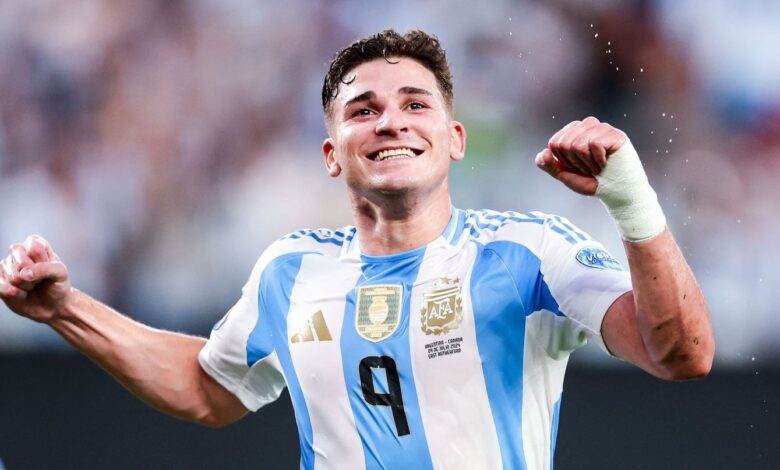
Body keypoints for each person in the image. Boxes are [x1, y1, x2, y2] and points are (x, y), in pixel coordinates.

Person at [0, 29, 713, 470]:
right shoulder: (291, 270)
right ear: (331, 153)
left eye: (415, 104)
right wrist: (65, 309)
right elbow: (206, 387)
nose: (390, 122)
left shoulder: (528, 252)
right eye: (363, 110)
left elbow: (682, 353)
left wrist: (631, 200)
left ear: (454, 139)